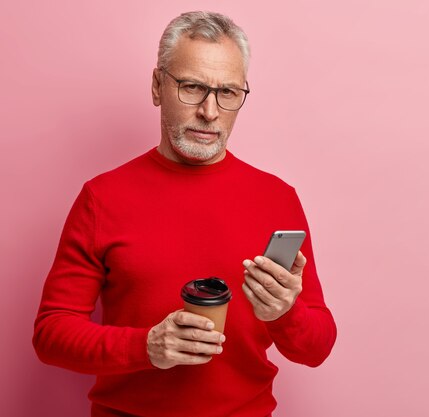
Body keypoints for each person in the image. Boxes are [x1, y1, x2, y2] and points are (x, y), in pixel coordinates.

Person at [33, 11, 336, 417]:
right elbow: (51, 333)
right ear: (158, 86)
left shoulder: (277, 198)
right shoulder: (101, 198)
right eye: (192, 87)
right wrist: (147, 347)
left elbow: (317, 348)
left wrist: (285, 313)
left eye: (228, 92)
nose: (210, 111)